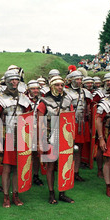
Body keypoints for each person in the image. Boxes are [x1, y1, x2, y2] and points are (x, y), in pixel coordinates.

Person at [0, 69, 32, 208]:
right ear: (6, 81)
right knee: (7, 168)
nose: (14, 82)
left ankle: (15, 194)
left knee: (17, 168)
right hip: (6, 137)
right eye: (12, 79)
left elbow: (30, 118)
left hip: (21, 137)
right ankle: (6, 196)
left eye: (16, 79)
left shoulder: (24, 98)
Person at [37, 75, 76, 204]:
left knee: (64, 164)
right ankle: (51, 193)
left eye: (61, 85)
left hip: (65, 138)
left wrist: (71, 137)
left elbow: (71, 118)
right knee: (50, 166)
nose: (60, 88)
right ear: (52, 86)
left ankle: (62, 192)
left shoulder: (67, 100)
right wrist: (41, 141)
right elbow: (40, 122)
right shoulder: (44, 101)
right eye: (57, 85)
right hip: (50, 137)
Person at [65, 70, 92, 182]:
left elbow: (89, 109)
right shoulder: (65, 92)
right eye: (77, 79)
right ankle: (67, 171)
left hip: (82, 123)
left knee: (79, 149)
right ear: (71, 80)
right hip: (70, 123)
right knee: (69, 148)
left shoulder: (86, 92)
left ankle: (76, 172)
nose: (79, 81)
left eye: (80, 79)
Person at [92, 72, 110, 178]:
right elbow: (94, 109)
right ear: (104, 82)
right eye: (108, 81)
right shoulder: (99, 94)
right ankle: (100, 169)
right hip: (103, 123)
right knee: (101, 147)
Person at [26, 79, 44, 186]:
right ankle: (24, 175)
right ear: (28, 89)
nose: (36, 90)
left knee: (36, 154)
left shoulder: (43, 101)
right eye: (33, 88)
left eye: (37, 88)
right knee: (25, 154)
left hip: (38, 129)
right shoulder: (23, 100)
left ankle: (35, 175)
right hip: (26, 130)